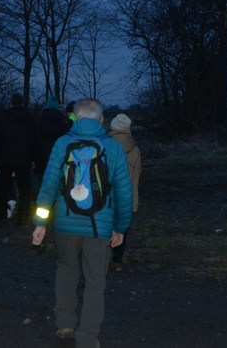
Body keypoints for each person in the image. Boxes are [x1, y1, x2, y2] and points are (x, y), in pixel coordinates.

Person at [32, 99, 133, 347]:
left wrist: (40, 223)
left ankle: (65, 324)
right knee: (95, 281)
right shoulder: (113, 148)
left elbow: (48, 186)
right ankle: (87, 336)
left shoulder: (63, 143)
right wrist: (120, 227)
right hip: (100, 227)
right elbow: (123, 192)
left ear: (75, 118)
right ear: (101, 120)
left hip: (66, 224)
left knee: (66, 270)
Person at [0, 93, 39, 225]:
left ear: (11, 103)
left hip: (5, 158)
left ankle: (2, 215)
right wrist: (33, 158)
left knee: (3, 188)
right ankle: (22, 214)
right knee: (24, 188)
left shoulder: (2, 117)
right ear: (23, 103)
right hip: (24, 158)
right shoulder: (29, 118)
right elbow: (34, 140)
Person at [108, 113, 142, 272]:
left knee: (104, 225)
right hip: (127, 195)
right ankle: (117, 261)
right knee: (121, 228)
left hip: (107, 194)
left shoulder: (104, 146)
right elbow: (137, 175)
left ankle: (102, 258)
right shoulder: (135, 149)